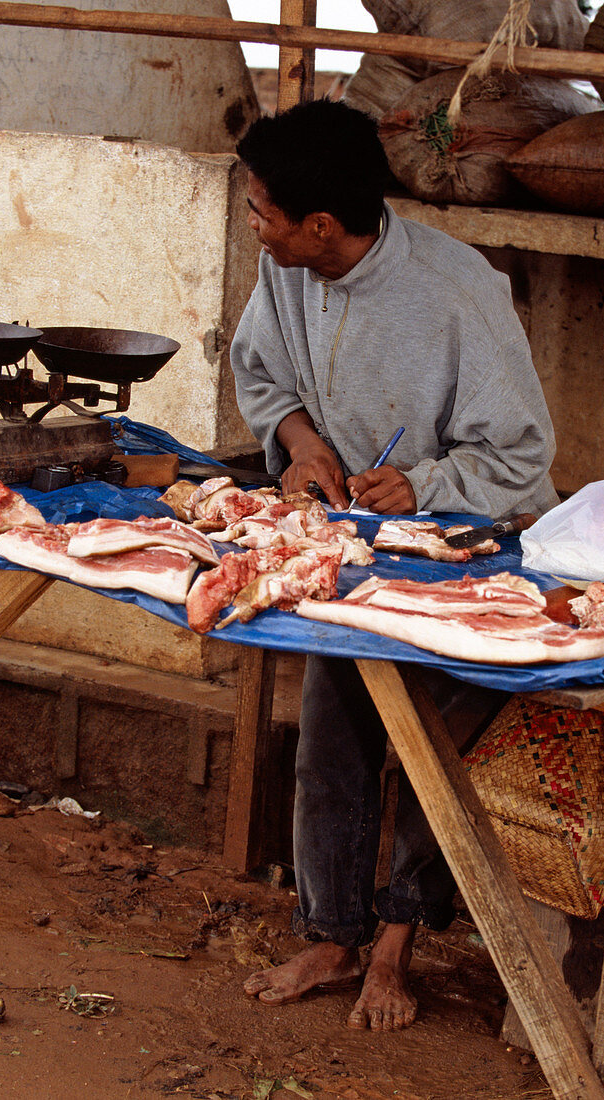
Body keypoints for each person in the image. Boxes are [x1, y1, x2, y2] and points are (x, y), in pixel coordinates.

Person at [230, 99, 559, 1031]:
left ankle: (393, 950)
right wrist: (298, 444)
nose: (254, 224)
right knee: (332, 727)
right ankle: (332, 936)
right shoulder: (283, 271)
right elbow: (262, 374)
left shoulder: (458, 292)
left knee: (429, 747)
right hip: (350, 545)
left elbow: (519, 457)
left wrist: (424, 484)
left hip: (459, 553)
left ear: (320, 226)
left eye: (262, 210)